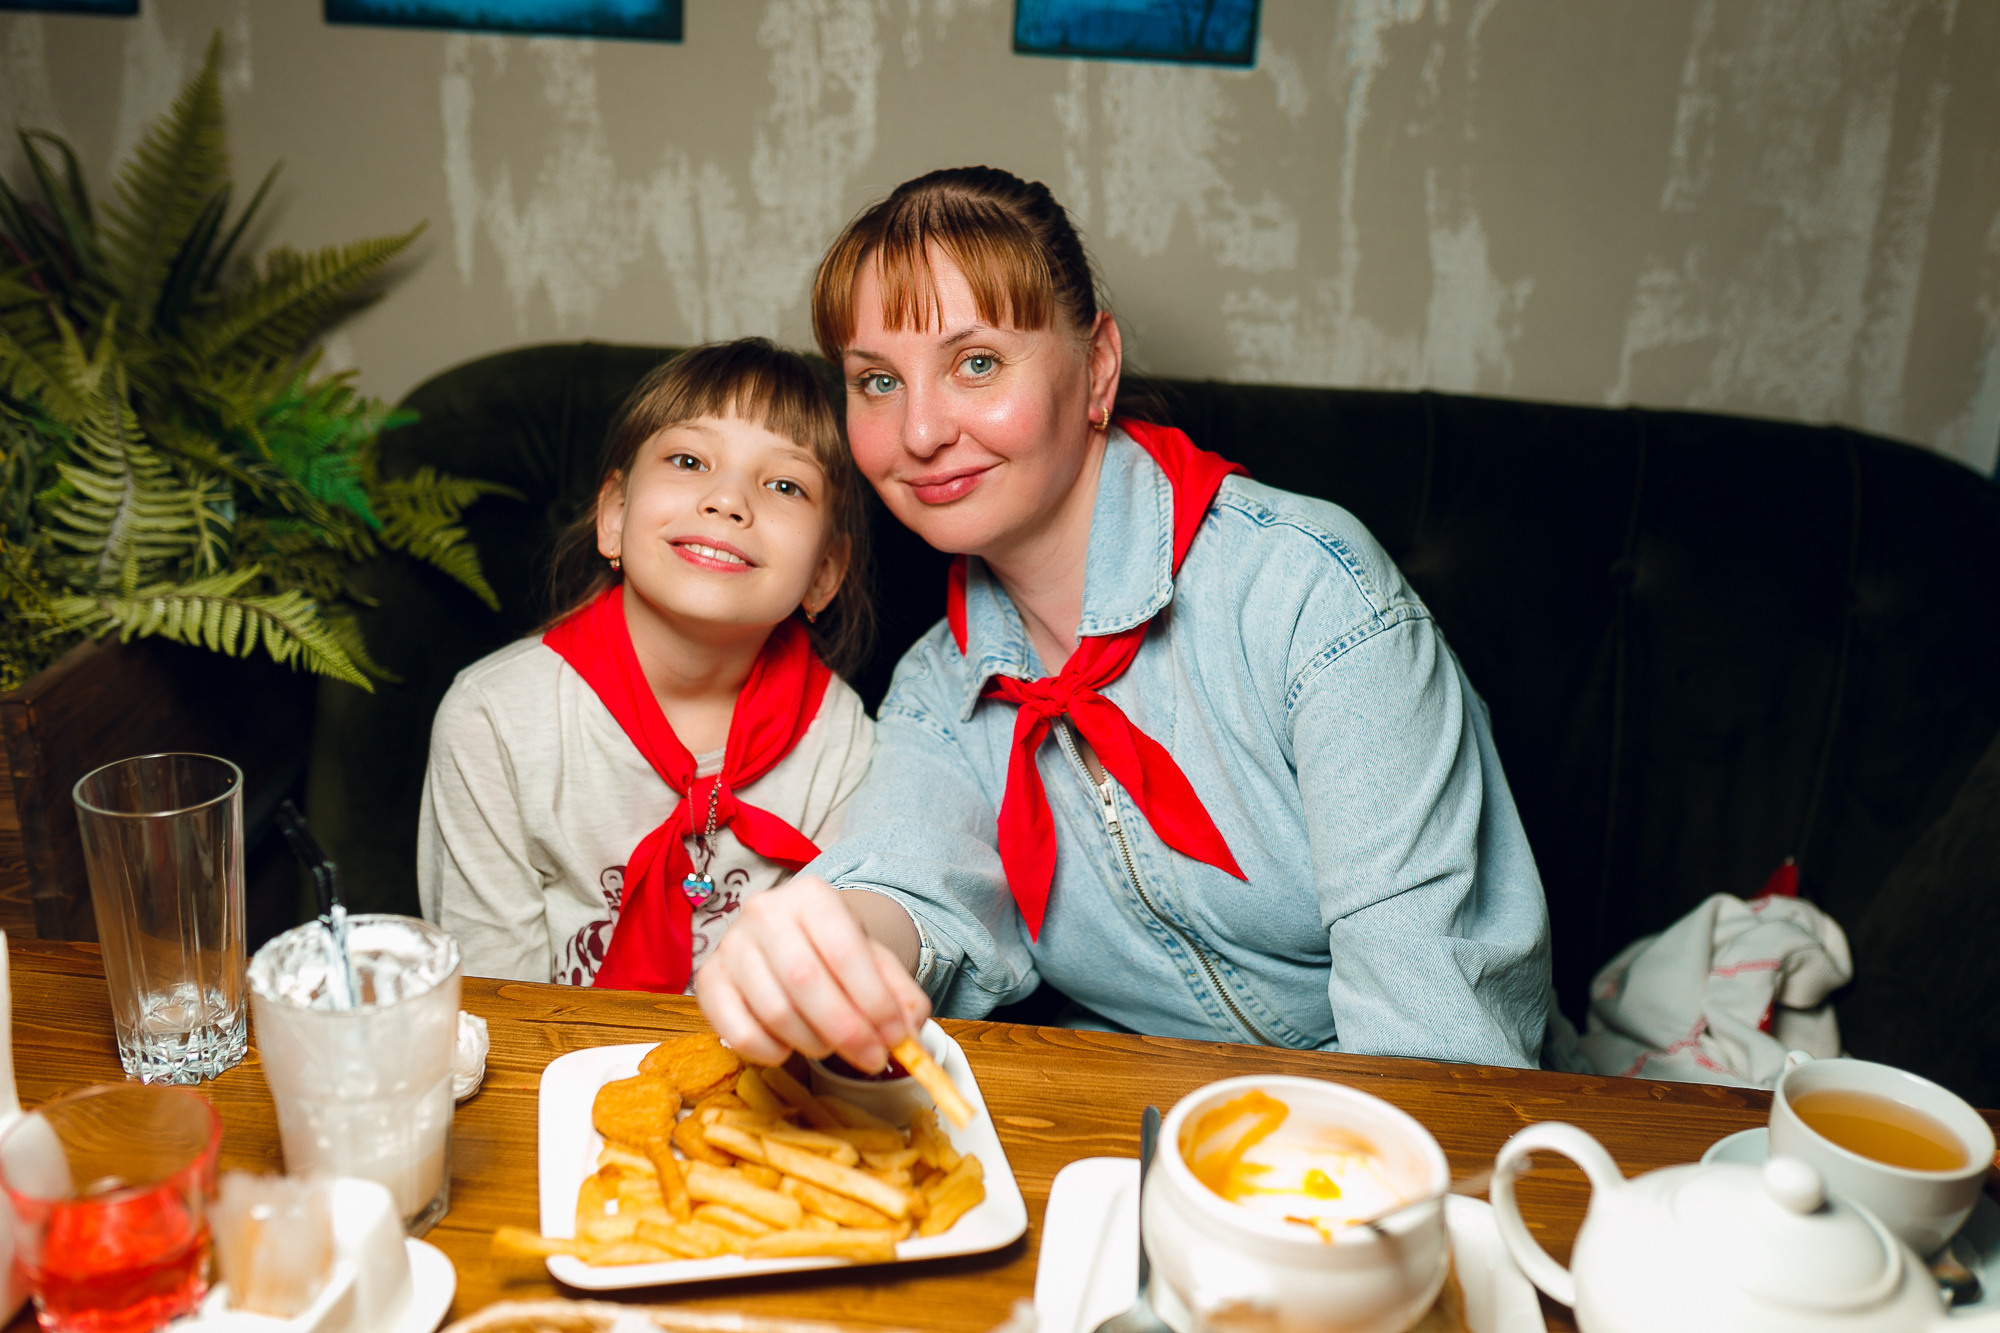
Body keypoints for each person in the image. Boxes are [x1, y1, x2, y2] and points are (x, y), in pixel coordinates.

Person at [695, 167, 1554, 1075]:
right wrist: (825, 944)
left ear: (1097, 367)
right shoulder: (937, 688)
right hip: (1130, 1120)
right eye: (875, 381)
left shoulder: (1309, 594)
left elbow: (1437, 1044)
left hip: (1377, 1134)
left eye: (975, 362)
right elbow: (909, 886)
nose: (918, 432)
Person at [418, 338, 877, 989]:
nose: (727, 500)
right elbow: (494, 1006)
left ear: (824, 573)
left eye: (784, 483)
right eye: (689, 459)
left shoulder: (842, 741)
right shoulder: (493, 722)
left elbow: (823, 990)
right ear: (614, 516)